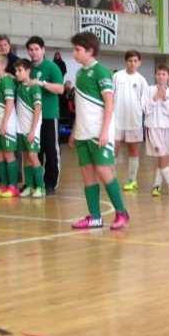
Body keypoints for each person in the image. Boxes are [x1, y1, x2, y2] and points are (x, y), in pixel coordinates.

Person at [68, 31, 130, 230]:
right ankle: (95, 216)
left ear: (90, 50)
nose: (74, 53)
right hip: (83, 133)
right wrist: (74, 130)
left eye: (77, 50)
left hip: (99, 132)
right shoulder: (79, 73)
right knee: (87, 172)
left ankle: (122, 212)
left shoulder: (102, 72)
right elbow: (81, 105)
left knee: (104, 170)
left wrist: (105, 132)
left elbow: (109, 104)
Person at [26, 36, 65, 194]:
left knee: (51, 150)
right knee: (35, 150)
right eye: (31, 49)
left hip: (48, 115)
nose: (34, 53)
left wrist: (42, 83)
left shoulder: (52, 67)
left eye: (36, 49)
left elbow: (61, 89)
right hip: (31, 116)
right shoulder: (27, 67)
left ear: (43, 50)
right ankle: (36, 182)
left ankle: (51, 183)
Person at [113, 49, 149, 191]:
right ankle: (112, 179)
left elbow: (145, 102)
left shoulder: (141, 80)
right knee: (112, 150)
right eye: (130, 61)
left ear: (139, 63)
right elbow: (110, 95)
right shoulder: (116, 76)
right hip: (116, 120)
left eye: (135, 61)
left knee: (133, 151)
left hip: (134, 121)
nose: (132, 63)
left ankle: (132, 180)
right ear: (126, 62)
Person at [141, 63, 169, 196]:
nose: (161, 77)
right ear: (155, 75)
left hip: (168, 128)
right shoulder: (148, 89)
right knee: (162, 157)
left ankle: (156, 186)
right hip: (154, 127)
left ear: (168, 76)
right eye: (158, 74)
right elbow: (145, 108)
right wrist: (156, 97)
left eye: (164, 74)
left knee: (164, 158)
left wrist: (164, 98)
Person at [0, 53, 21, 198]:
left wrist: (4, 124)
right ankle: (4, 186)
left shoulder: (7, 81)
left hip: (6, 124)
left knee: (8, 155)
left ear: (3, 66)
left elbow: (9, 103)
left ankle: (14, 187)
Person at [14, 58, 45, 198]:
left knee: (33, 155)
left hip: (32, 127)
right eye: (15, 70)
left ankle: (41, 187)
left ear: (28, 71)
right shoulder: (20, 87)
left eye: (20, 70)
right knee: (26, 156)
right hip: (21, 128)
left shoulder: (35, 87)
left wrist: (33, 130)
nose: (17, 73)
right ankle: (30, 186)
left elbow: (38, 109)